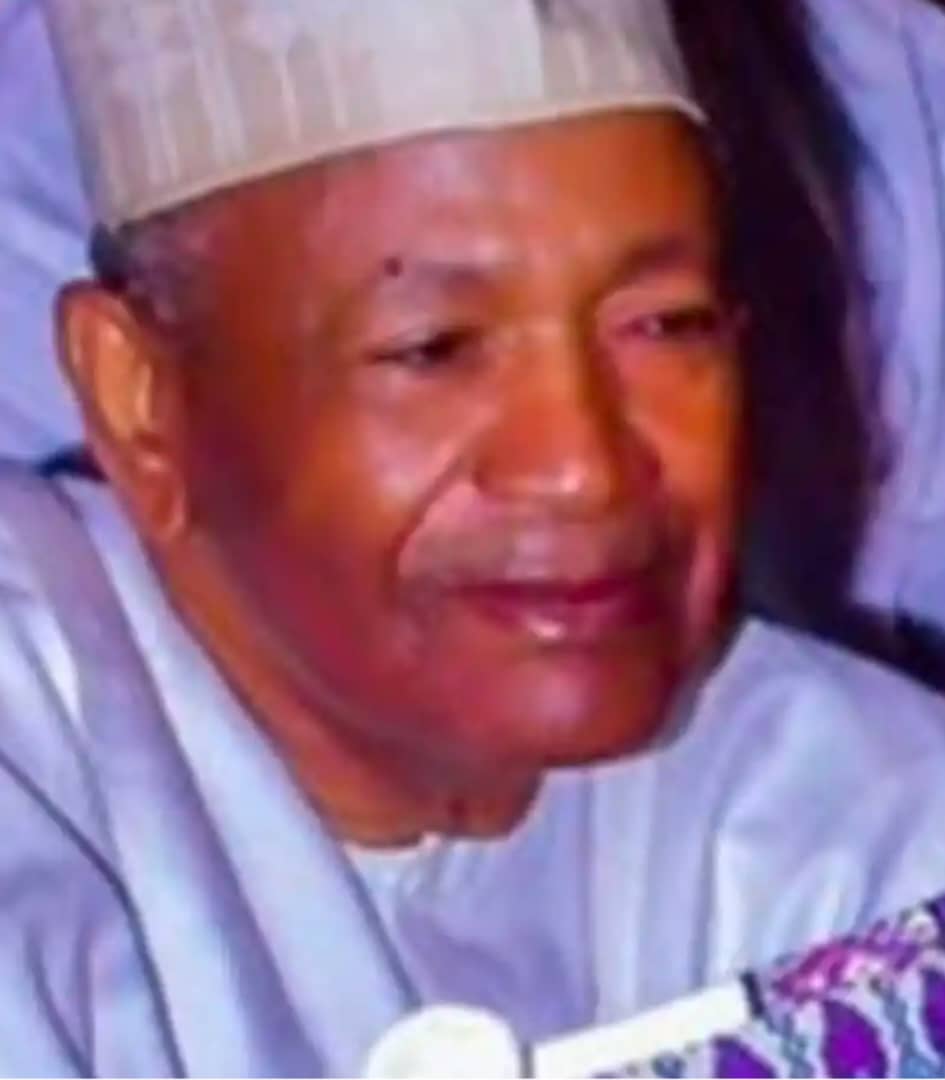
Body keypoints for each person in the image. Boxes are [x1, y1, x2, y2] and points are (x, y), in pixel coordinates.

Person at [0, 0, 944, 1074]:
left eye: (664, 325)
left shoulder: (858, 825)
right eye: (435, 348)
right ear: (141, 400)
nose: (583, 466)